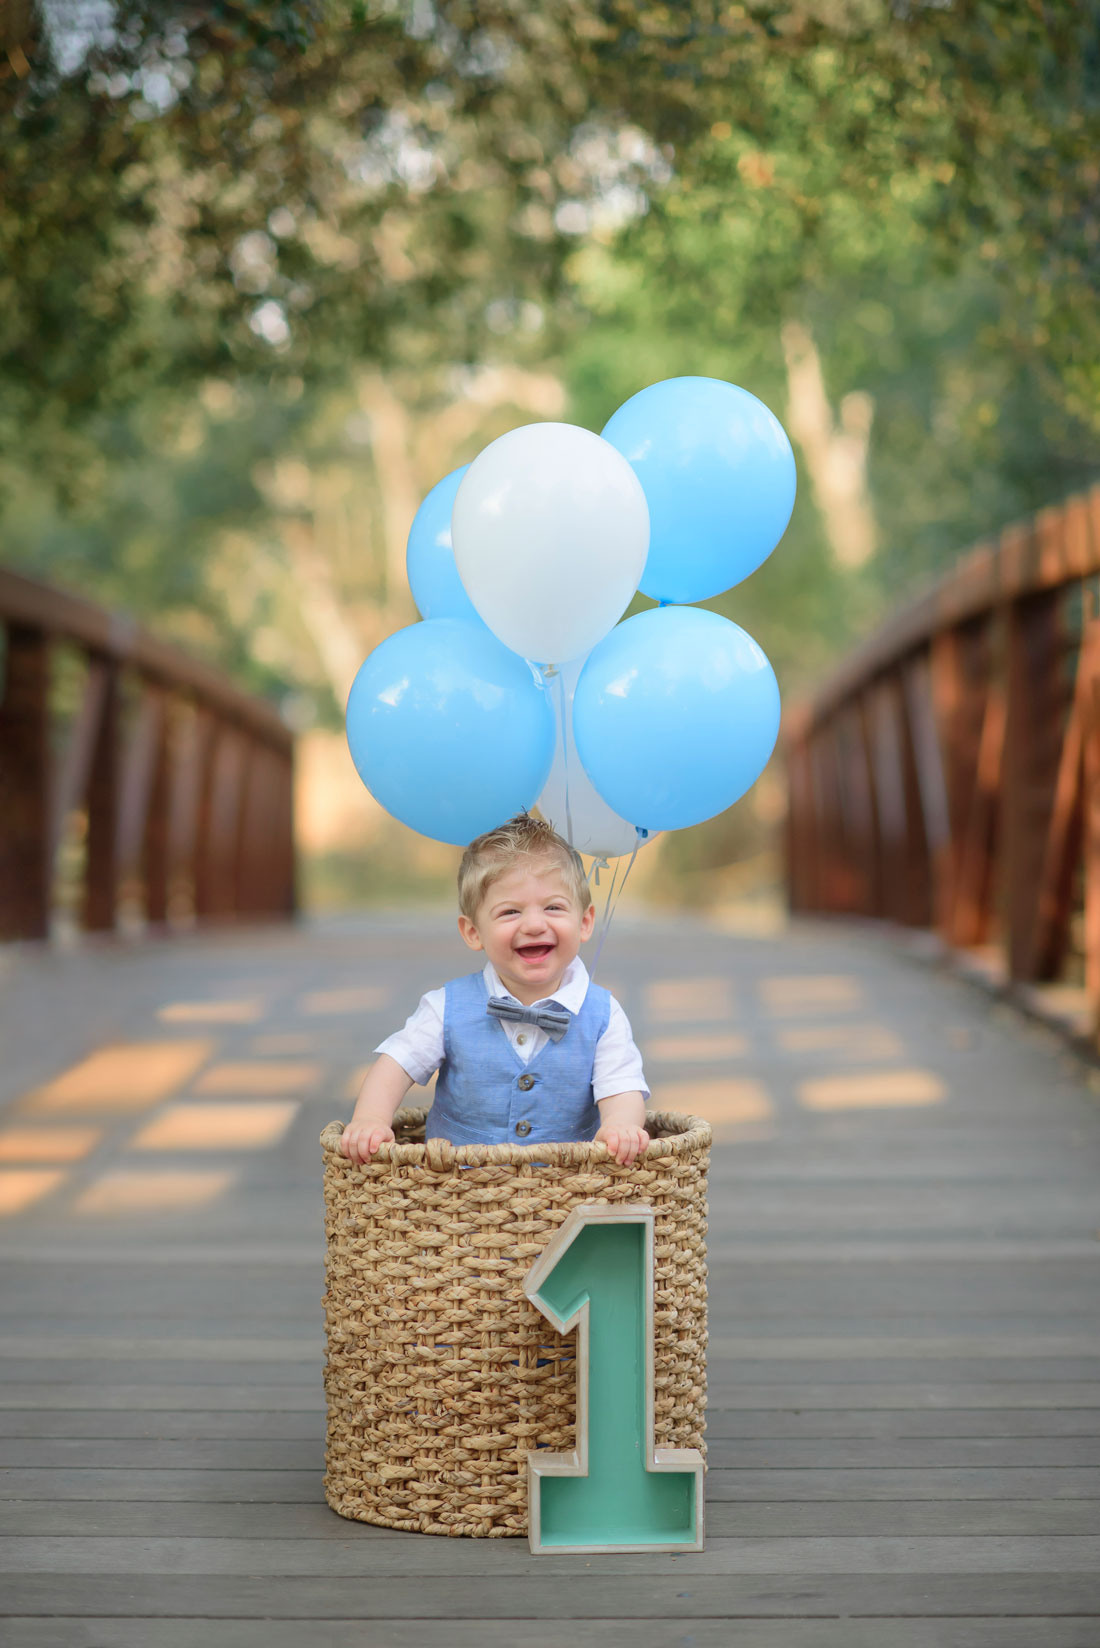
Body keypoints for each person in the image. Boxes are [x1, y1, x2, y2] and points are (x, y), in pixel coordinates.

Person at [340, 813, 650, 1167]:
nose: (534, 924)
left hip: (569, 1187)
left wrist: (620, 1126)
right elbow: (396, 1063)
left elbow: (622, 1086)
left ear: (585, 922)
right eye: (510, 912)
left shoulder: (603, 1014)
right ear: (473, 932)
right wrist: (371, 1119)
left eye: (553, 907)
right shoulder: (447, 1007)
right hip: (458, 1188)